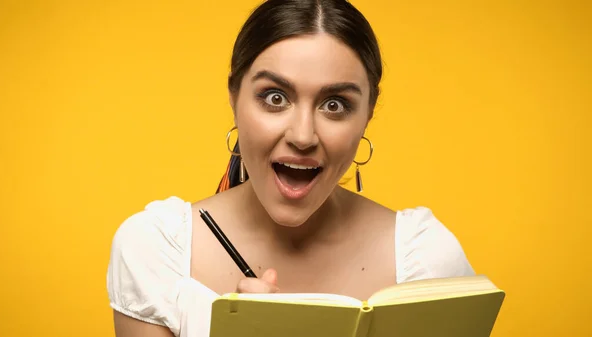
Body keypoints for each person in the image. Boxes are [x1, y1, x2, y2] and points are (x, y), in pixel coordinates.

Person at [106, 0, 475, 336]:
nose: (302, 136)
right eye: (275, 97)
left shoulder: (428, 262)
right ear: (234, 98)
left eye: (335, 104)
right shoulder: (155, 252)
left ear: (368, 115)